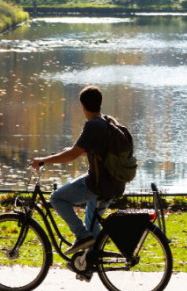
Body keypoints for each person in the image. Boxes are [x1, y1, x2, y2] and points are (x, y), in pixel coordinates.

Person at [31, 85, 125, 255]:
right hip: (114, 184)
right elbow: (95, 152)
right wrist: (77, 150)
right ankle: (89, 266)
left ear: (82, 105)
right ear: (99, 103)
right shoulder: (107, 122)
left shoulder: (92, 126)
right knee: (92, 224)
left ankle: (81, 236)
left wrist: (43, 160)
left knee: (57, 198)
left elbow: (72, 155)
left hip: (97, 185)